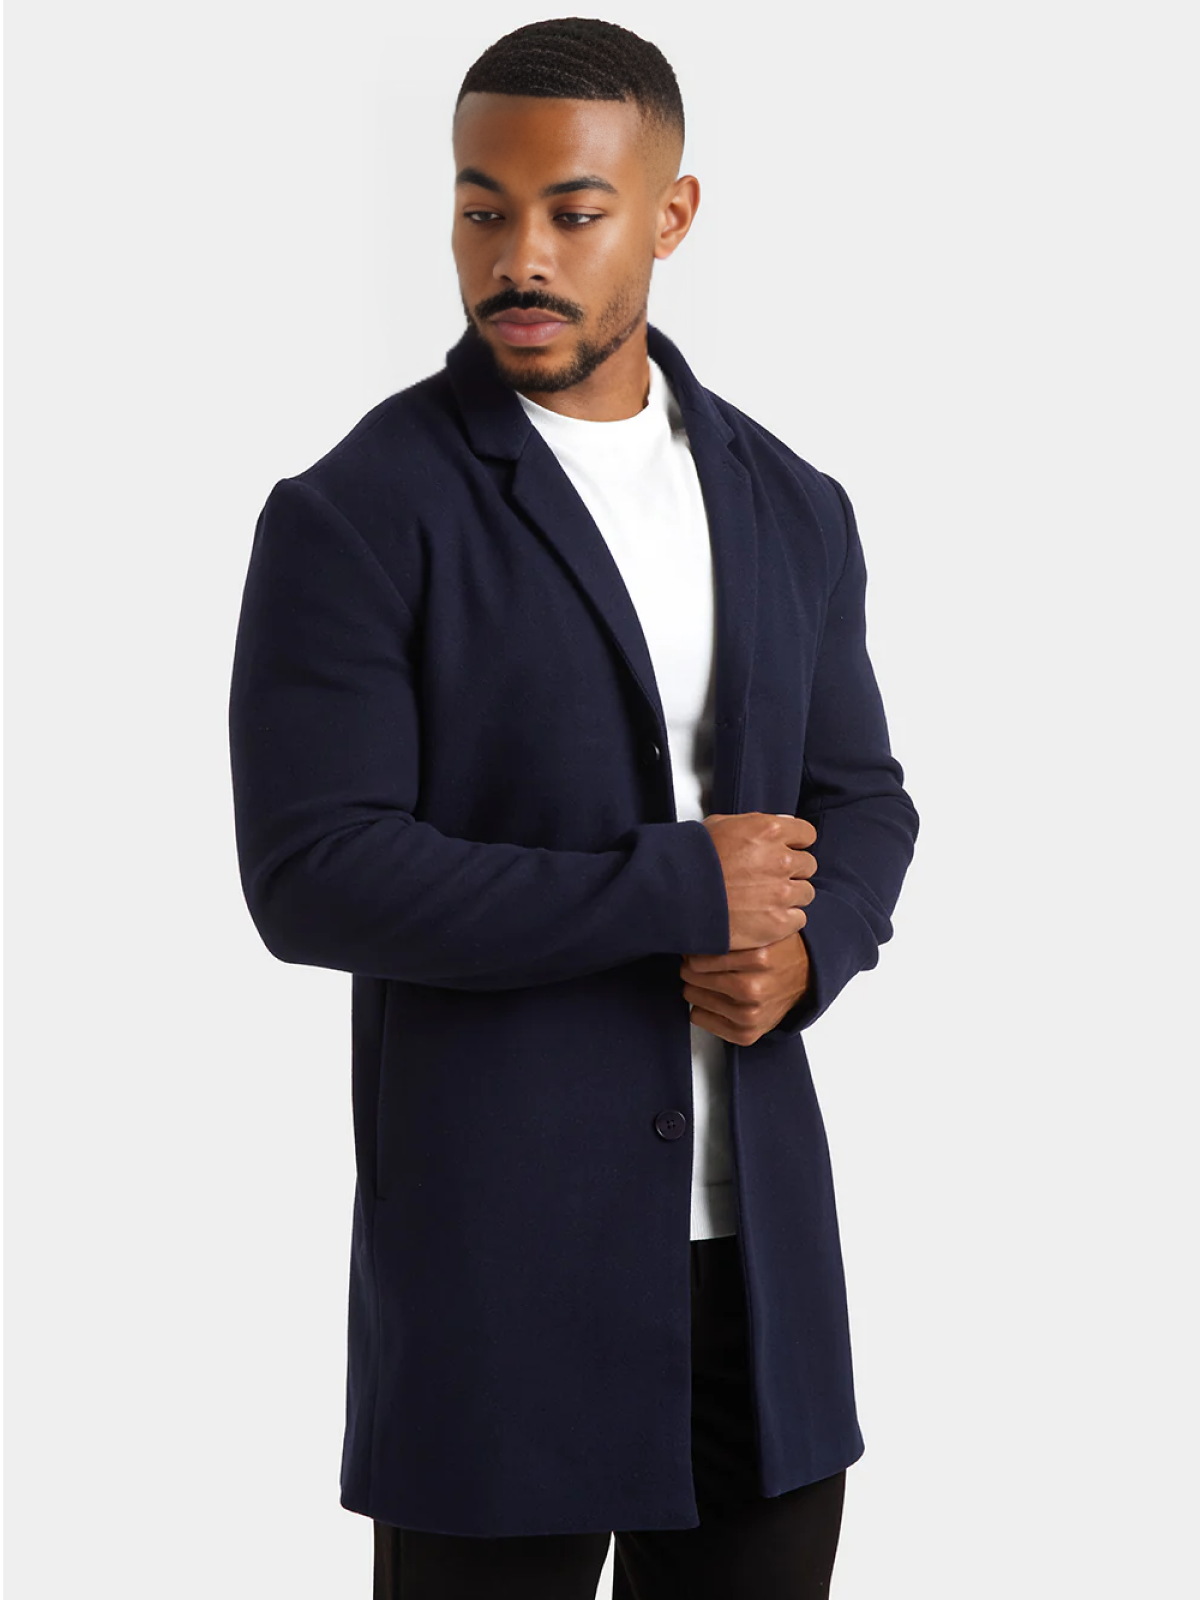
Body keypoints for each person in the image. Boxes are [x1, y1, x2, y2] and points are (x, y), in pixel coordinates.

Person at [228, 16, 919, 1598]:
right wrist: (676, 890)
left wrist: (809, 951)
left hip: (763, 1286)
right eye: (482, 209)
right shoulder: (357, 512)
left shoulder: (791, 503)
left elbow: (860, 799)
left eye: (572, 211)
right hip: (504, 1278)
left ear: (670, 217)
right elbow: (314, 871)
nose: (517, 257)